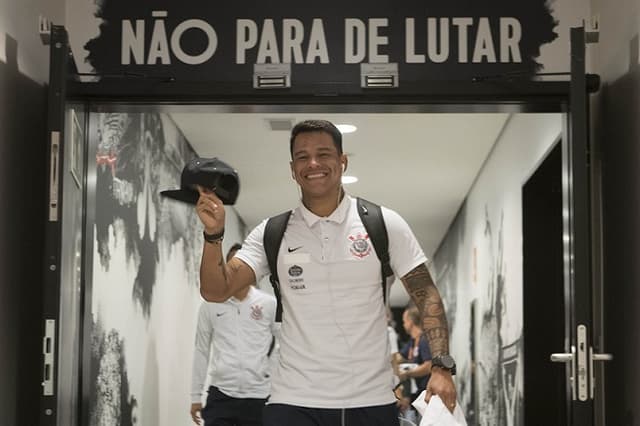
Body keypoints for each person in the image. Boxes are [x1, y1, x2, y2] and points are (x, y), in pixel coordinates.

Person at [195, 119, 457, 426]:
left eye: (324, 154)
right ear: (293, 169)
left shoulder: (384, 224)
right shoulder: (272, 232)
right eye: (303, 157)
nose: (313, 163)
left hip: (371, 400)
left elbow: (427, 295)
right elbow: (216, 291)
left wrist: (441, 366)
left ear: (342, 161)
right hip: (292, 402)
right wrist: (214, 235)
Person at [190, 243, 279, 426]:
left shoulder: (268, 304)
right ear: (225, 269)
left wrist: (276, 382)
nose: (238, 273)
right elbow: (201, 350)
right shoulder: (211, 305)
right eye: (233, 266)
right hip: (221, 395)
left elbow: (285, 344)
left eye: (244, 267)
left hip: (259, 397)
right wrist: (195, 395)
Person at [393, 304, 433, 423]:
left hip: (427, 394)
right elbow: (398, 356)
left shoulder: (424, 340)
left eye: (404, 321)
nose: (404, 324)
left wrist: (407, 374)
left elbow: (428, 366)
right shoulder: (412, 342)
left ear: (410, 322)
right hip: (416, 395)